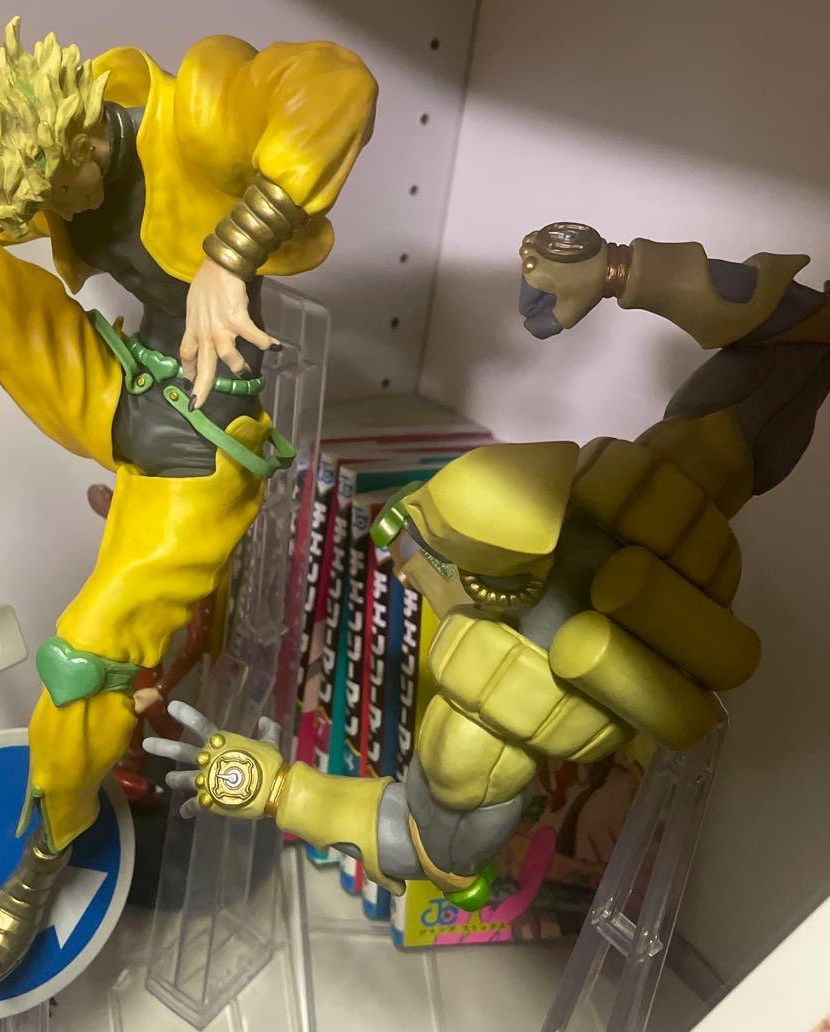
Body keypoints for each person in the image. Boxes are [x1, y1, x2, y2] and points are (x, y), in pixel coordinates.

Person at [0, 13, 377, 983]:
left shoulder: (197, 110)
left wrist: (232, 252)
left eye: (39, 206)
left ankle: (44, 857)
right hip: (121, 385)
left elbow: (336, 84)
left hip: (203, 445)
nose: (31, 227)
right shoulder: (38, 158)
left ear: (79, 145)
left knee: (85, 662)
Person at [147, 219, 830, 911]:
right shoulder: (626, 491)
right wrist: (615, 270)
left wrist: (275, 791)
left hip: (614, 574)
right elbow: (796, 323)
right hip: (612, 552)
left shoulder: (472, 770)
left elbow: (414, 839)